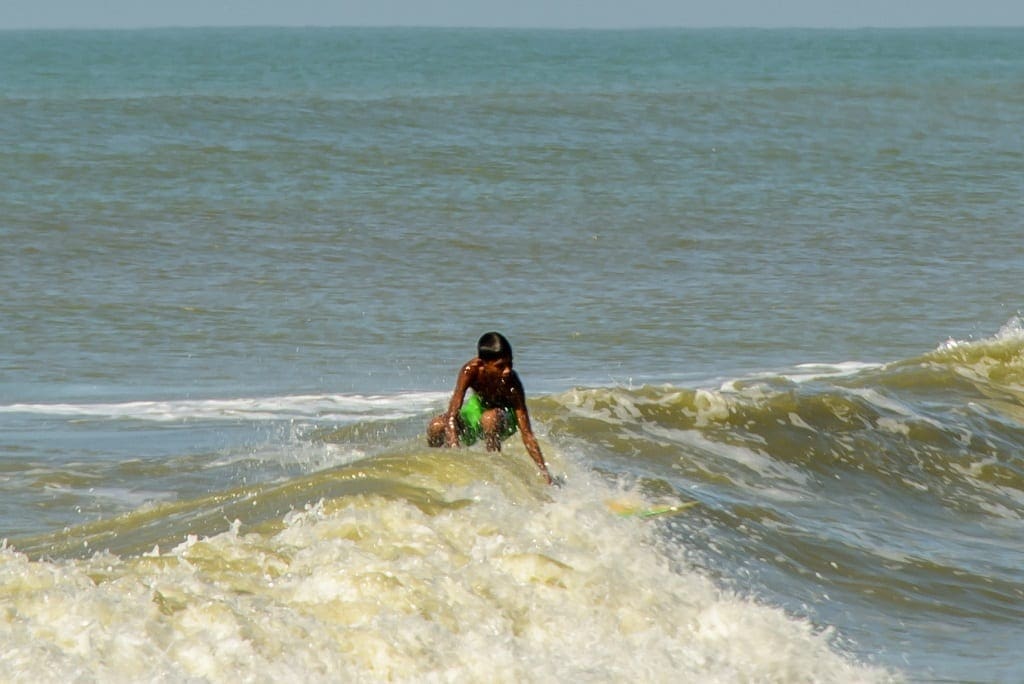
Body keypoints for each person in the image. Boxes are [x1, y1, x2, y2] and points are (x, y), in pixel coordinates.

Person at [427, 332, 553, 484]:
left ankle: (494, 472)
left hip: (505, 417)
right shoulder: (470, 371)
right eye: (500, 366)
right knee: (436, 425)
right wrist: (454, 447)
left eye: (510, 364)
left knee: (490, 418)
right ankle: (438, 470)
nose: (507, 370)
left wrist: (544, 472)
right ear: (482, 364)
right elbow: (453, 411)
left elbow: (527, 433)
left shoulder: (512, 382)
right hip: (476, 409)